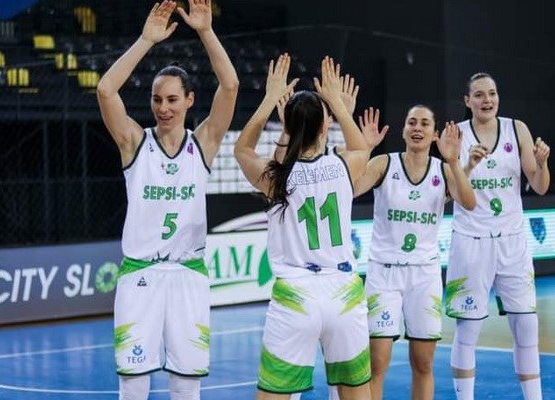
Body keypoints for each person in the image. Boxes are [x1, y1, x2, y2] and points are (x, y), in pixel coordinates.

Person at [96, 1, 238, 399]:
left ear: (189, 100)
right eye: (157, 99)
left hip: (188, 275)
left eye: (173, 99)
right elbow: (106, 90)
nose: (163, 108)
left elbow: (230, 87)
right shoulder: (134, 143)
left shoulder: (203, 143)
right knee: (133, 382)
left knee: (186, 383)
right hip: (139, 275)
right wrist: (146, 40)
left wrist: (206, 32)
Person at [234, 54, 372, 400]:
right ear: (325, 127)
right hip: (344, 291)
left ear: (288, 126)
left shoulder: (276, 177)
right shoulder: (344, 165)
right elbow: (360, 146)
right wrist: (338, 106)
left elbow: (242, 150)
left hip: (296, 295)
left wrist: (270, 99)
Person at [351, 106, 476, 400]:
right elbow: (350, 190)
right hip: (384, 273)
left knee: (423, 363)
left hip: (424, 275)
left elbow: (469, 203)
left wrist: (455, 162)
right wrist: (364, 151)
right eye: (411, 122)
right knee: (376, 361)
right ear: (404, 130)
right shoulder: (384, 164)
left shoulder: (443, 170)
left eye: (424, 123)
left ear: (434, 134)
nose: (417, 128)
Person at [444, 72, 551, 400]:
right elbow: (450, 194)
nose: (487, 100)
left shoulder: (517, 129)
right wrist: (468, 165)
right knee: (468, 330)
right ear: (467, 101)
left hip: (512, 241)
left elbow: (540, 186)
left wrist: (542, 164)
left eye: (492, 93)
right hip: (471, 241)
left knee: (527, 327)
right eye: (479, 95)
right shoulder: (455, 135)